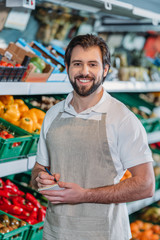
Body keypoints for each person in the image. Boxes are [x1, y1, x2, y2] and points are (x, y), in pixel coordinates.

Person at [31, 34, 155, 240]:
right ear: (68, 67)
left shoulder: (121, 118)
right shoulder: (53, 115)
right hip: (55, 232)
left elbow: (146, 184)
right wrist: (40, 178)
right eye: (77, 64)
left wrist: (85, 195)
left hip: (103, 233)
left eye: (92, 64)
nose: (84, 71)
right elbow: (38, 169)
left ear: (105, 70)